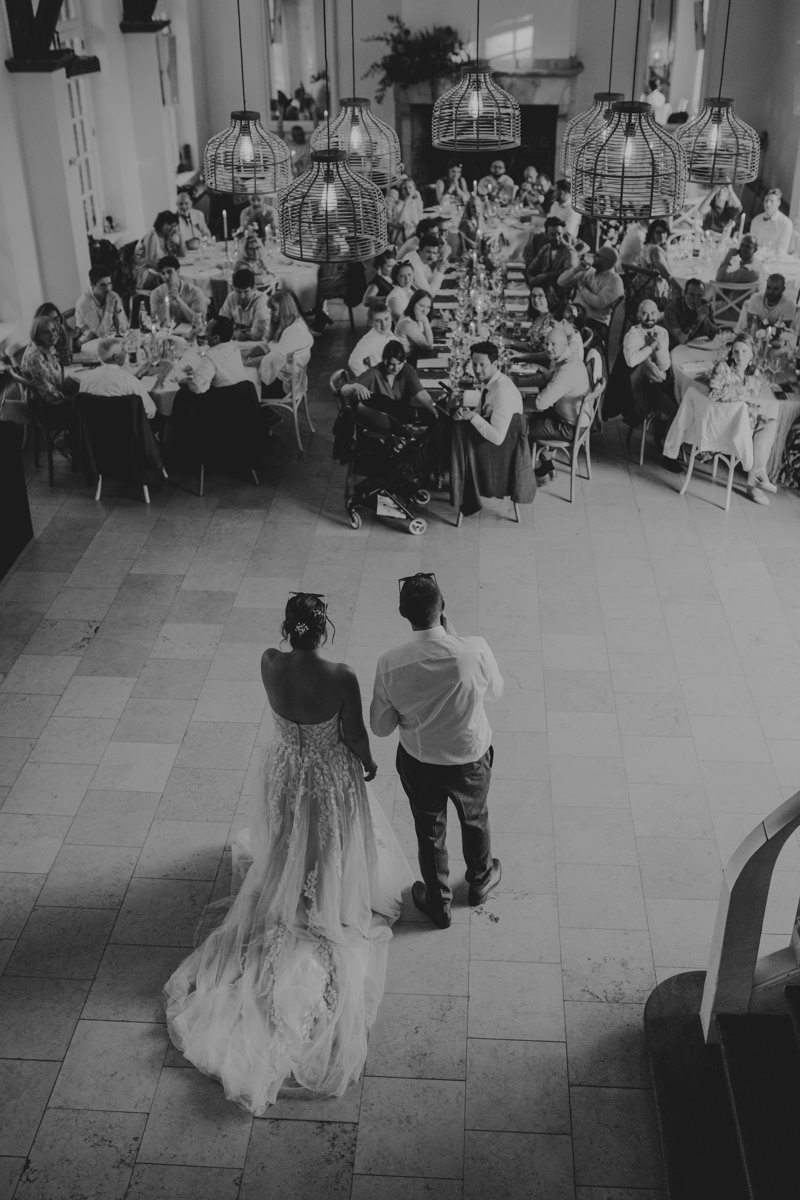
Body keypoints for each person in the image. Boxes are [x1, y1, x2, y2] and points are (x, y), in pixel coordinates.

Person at [164, 593, 411, 1112]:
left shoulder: (268, 662)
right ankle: (323, 894)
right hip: (326, 772)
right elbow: (355, 735)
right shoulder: (340, 676)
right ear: (323, 631)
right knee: (327, 838)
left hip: (285, 767)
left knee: (290, 833)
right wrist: (367, 765)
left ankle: (293, 881)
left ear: (289, 628)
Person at [370, 572, 503, 929]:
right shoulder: (474, 649)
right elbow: (495, 692)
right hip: (470, 756)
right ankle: (480, 881)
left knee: (429, 830)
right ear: (442, 607)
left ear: (403, 613)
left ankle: (438, 901)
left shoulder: (390, 663)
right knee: (475, 819)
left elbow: (380, 727)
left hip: (420, 760)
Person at [708, 333, 778, 505]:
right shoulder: (723, 368)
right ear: (731, 353)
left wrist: (751, 400)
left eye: (744, 352)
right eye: (736, 351)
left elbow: (757, 399)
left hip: (748, 421)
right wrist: (743, 396)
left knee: (770, 423)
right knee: (761, 426)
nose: (740, 356)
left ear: (752, 354)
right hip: (728, 422)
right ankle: (754, 483)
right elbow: (714, 393)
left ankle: (758, 473)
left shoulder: (755, 374)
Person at [526, 324, 590, 481]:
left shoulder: (566, 371)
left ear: (565, 344)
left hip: (569, 427)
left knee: (521, 427)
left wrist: (517, 402)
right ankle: (546, 463)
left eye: (553, 344)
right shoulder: (568, 356)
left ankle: (538, 474)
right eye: (546, 343)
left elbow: (540, 404)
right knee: (530, 417)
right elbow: (552, 379)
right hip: (570, 417)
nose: (548, 348)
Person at [341, 340, 439, 424]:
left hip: (402, 415)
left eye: (399, 364)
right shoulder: (374, 373)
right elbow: (343, 390)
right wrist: (356, 386)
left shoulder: (407, 369)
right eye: (392, 364)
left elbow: (421, 394)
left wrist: (435, 411)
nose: (396, 368)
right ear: (384, 360)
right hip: (382, 419)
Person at [622, 299, 675, 442]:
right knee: (675, 411)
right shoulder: (633, 335)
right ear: (638, 316)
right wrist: (650, 348)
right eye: (645, 313)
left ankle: (661, 434)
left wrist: (658, 349)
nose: (649, 317)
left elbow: (665, 366)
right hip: (640, 389)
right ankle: (667, 447)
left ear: (658, 315)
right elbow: (631, 361)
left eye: (653, 313)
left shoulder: (662, 333)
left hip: (658, 382)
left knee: (681, 397)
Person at [452, 340, 524, 445]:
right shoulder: (489, 381)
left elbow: (498, 438)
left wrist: (473, 416)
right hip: (487, 436)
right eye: (474, 364)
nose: (477, 370)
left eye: (482, 365)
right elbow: (481, 410)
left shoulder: (502, 391)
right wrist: (466, 413)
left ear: (495, 364)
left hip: (500, 447)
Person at [253, 289, 314, 398]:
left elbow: (274, 358)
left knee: (244, 384)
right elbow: (268, 345)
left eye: (274, 309)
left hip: (285, 385)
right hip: (290, 378)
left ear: (284, 310)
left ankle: (258, 407)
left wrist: (248, 362)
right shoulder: (293, 323)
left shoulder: (294, 331)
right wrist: (248, 353)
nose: (271, 313)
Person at [79, 337, 156, 419]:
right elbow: (150, 411)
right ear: (116, 357)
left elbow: (82, 407)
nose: (126, 352)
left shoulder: (86, 379)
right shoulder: (130, 380)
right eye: (123, 350)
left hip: (93, 425)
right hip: (125, 426)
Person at [557, 244, 624, 336]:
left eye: (597, 256)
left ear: (606, 262)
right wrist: (576, 269)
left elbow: (599, 304)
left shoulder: (615, 281)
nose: (593, 257)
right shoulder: (589, 270)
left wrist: (582, 288)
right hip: (574, 314)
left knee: (560, 336)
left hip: (594, 321)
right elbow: (561, 282)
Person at [21, 314, 80, 409]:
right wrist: (75, 401)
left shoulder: (48, 347)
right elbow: (49, 394)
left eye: (53, 330)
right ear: (37, 336)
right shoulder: (35, 358)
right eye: (46, 333)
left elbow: (64, 362)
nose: (52, 335)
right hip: (46, 406)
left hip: (58, 394)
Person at [177, 316, 248, 393]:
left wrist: (186, 380)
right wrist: (196, 373)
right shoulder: (235, 349)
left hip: (223, 398)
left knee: (182, 394)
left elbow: (197, 388)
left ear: (216, 338)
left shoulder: (210, 356)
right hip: (242, 396)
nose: (204, 333)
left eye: (207, 331)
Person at [149, 257, 208, 330]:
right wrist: (166, 301)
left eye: (169, 272)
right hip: (167, 332)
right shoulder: (156, 293)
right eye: (163, 273)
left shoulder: (195, 292)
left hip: (191, 332)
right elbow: (156, 321)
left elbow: (199, 322)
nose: (166, 276)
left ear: (178, 271)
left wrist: (178, 300)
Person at [524, 217, 577, 298]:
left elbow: (568, 272)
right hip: (543, 291)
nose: (557, 238)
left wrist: (545, 276)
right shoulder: (546, 249)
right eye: (553, 234)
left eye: (559, 234)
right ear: (546, 235)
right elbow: (531, 268)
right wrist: (531, 278)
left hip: (560, 295)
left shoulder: (569, 252)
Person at [74, 267, 128, 345]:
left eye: (109, 284)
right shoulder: (84, 303)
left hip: (109, 340)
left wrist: (117, 310)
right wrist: (109, 308)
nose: (108, 289)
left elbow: (124, 328)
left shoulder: (112, 296)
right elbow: (102, 334)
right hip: (87, 344)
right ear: (92, 285)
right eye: (103, 285)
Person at [219, 268, 271, 341]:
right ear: (233, 288)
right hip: (236, 339)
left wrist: (233, 331)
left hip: (258, 341)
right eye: (238, 291)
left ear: (253, 288)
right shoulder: (231, 298)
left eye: (246, 292)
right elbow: (221, 323)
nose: (242, 296)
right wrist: (234, 333)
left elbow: (258, 333)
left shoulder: (262, 300)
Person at [663, 278, 718, 347]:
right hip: (675, 348)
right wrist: (699, 319)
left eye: (699, 296)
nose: (695, 299)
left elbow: (714, 334)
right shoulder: (672, 309)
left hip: (697, 345)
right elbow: (682, 339)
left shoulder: (705, 305)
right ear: (684, 293)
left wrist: (706, 319)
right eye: (691, 295)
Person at [133, 211, 180, 289]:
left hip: (159, 269)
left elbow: (179, 254)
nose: (171, 227)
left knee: (175, 276)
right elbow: (150, 260)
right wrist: (167, 268)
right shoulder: (152, 235)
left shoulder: (167, 236)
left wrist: (179, 236)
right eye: (168, 224)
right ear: (161, 224)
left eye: (174, 225)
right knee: (171, 279)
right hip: (145, 271)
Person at [638, 219, 680, 305]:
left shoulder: (646, 246)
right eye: (658, 232)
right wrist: (681, 289)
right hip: (651, 292)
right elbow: (667, 275)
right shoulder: (655, 250)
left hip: (639, 288)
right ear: (652, 233)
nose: (662, 235)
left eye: (664, 232)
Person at [348, 301, 393, 377]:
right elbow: (353, 362)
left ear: (391, 317)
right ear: (371, 322)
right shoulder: (370, 340)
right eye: (378, 321)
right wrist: (369, 379)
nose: (384, 324)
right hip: (383, 377)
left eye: (386, 319)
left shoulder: (387, 332)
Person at [749, 188, 793, 256]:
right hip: (755, 258)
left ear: (778, 203)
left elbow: (781, 251)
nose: (768, 204)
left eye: (772, 201)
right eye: (766, 201)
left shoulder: (786, 223)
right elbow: (751, 244)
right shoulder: (756, 220)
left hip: (773, 260)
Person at [394, 290, 435, 361]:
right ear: (413, 303)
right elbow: (429, 345)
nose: (425, 310)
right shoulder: (407, 324)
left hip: (414, 354)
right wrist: (425, 320)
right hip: (405, 360)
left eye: (428, 307)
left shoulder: (415, 315)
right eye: (421, 306)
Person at [32, 302, 74, 366]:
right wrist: (70, 338)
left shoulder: (58, 330)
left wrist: (74, 337)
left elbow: (76, 348)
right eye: (49, 321)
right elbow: (66, 361)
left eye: (56, 319)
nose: (54, 323)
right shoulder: (44, 338)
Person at [387, 178, 423, 246]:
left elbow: (419, 218)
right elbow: (397, 222)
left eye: (410, 187)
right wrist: (405, 204)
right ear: (401, 191)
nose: (408, 191)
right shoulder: (398, 204)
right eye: (405, 188)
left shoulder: (416, 202)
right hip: (401, 237)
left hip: (414, 234)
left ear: (414, 189)